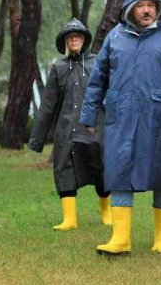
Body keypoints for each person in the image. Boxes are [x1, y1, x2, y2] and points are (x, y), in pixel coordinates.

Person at [79, 0, 161, 255]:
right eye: (140, 5)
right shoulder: (115, 37)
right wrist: (89, 113)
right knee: (119, 170)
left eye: (151, 5)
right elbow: (98, 78)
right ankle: (120, 239)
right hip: (121, 114)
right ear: (130, 9)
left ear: (158, 7)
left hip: (160, 115)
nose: (146, 10)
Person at [29, 19, 111, 230]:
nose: (74, 39)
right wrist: (37, 140)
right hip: (66, 128)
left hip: (95, 126)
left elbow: (110, 95)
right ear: (65, 41)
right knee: (63, 168)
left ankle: (106, 212)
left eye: (78, 36)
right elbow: (48, 105)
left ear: (84, 39)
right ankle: (70, 219)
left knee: (101, 167)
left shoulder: (97, 63)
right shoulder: (58, 67)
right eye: (70, 37)